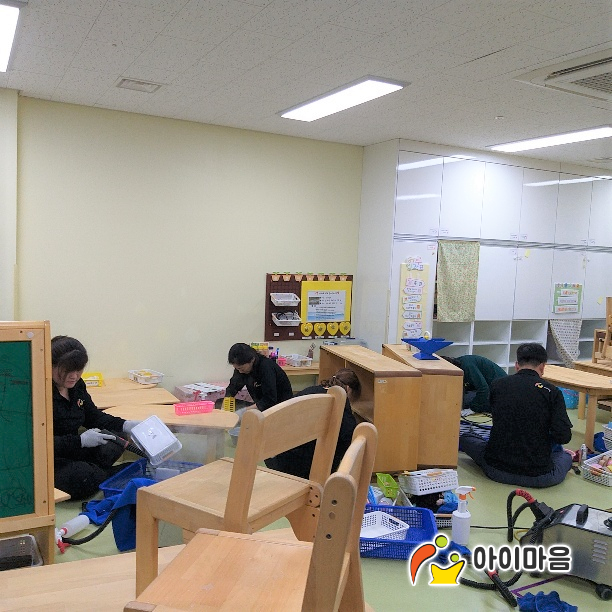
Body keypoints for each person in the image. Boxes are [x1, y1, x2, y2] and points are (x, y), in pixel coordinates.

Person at [459, 343, 573, 488]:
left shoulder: (497, 385)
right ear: (543, 367)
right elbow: (563, 437)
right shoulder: (552, 392)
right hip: (539, 476)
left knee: (466, 437)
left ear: (517, 365)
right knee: (566, 456)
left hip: (495, 469)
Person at [52, 336, 140, 500]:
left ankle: (99, 473)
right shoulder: (39, 392)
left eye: (79, 370)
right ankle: (105, 474)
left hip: (74, 451)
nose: (74, 376)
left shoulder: (77, 385)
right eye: (68, 370)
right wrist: (80, 441)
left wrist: (126, 424)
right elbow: (39, 444)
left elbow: (93, 416)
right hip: (53, 458)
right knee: (82, 476)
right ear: (50, 366)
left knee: (117, 437)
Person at [266, 368, 361, 479]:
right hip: (295, 464)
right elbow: (348, 440)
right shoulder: (340, 403)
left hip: (273, 453)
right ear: (348, 389)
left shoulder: (311, 390)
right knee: (333, 445)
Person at [225, 343, 293, 411]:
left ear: (252, 360)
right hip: (263, 405)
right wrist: (226, 403)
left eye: (241, 368)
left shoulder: (266, 367)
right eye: (237, 369)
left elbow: (269, 399)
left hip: (281, 407)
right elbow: (233, 387)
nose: (240, 372)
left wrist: (244, 411)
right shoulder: (241, 368)